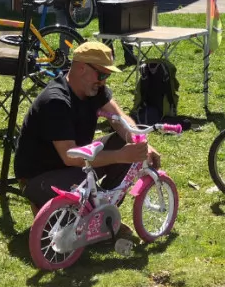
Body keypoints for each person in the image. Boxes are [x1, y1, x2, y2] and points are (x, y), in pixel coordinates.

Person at [14, 42, 160, 210]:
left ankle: (105, 213)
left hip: (76, 165)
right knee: (81, 207)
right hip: (40, 175)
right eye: (102, 75)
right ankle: (89, 212)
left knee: (124, 142)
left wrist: (140, 143)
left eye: (107, 76)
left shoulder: (94, 89)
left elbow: (119, 119)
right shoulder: (56, 101)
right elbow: (70, 157)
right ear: (82, 68)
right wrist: (121, 155)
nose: (104, 82)